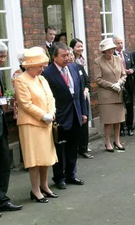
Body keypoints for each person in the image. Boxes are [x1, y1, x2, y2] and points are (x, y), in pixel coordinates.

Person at [14, 47, 58, 203]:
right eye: (40, 66)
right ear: (30, 66)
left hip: (45, 123)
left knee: (45, 157)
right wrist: (43, 115)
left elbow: (50, 98)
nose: (43, 68)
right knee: (34, 160)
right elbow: (25, 104)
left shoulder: (41, 79)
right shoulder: (20, 80)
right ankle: (35, 190)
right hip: (30, 125)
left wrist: (51, 112)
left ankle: (44, 186)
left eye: (43, 65)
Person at [43, 42, 87, 190]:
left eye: (68, 54)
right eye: (64, 55)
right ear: (54, 57)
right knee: (59, 148)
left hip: (75, 112)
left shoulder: (74, 67)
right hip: (60, 116)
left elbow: (80, 92)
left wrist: (84, 112)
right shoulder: (47, 73)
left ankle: (71, 174)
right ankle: (59, 177)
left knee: (73, 146)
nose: (68, 58)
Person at [0, 41, 23, 214]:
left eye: (4, 56)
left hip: (1, 127)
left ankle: (2, 199)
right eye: (0, 56)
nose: (3, 60)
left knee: (4, 163)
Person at [93, 38, 127, 151]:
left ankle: (117, 141)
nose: (111, 51)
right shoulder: (97, 61)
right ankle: (107, 142)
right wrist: (112, 85)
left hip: (118, 94)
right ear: (103, 50)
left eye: (112, 48)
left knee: (118, 120)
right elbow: (97, 79)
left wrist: (119, 83)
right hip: (106, 96)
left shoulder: (118, 59)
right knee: (108, 121)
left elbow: (124, 75)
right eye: (108, 49)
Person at [67, 45, 93, 159]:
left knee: (84, 125)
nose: (71, 57)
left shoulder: (79, 67)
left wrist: (86, 89)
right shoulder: (65, 70)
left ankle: (83, 148)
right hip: (72, 102)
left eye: (72, 55)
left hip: (83, 99)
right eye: (69, 55)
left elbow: (87, 81)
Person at [114, 36, 134, 137]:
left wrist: (132, 70)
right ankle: (121, 128)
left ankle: (130, 127)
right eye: (118, 43)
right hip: (119, 84)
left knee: (130, 106)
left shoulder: (127, 54)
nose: (120, 45)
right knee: (120, 107)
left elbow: (133, 65)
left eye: (121, 43)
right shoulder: (112, 56)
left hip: (129, 83)